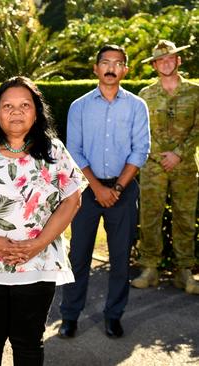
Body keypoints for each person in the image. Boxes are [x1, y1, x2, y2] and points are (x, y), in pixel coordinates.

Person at [0, 76, 86, 365]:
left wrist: (38, 244)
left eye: (25, 105)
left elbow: (73, 199)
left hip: (38, 263)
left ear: (36, 112)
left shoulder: (54, 151)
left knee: (29, 343)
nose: (16, 111)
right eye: (7, 105)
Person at [59, 45, 151, 339]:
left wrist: (118, 188)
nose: (111, 68)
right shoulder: (79, 107)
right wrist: (98, 188)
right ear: (96, 68)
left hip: (124, 189)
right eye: (105, 62)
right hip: (86, 191)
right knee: (78, 256)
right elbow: (74, 151)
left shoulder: (137, 106)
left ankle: (114, 315)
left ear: (125, 70)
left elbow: (140, 151)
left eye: (117, 63)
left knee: (121, 258)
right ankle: (70, 317)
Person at [133, 40, 199, 295]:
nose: (166, 62)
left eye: (170, 58)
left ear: (178, 61)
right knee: (149, 216)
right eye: (161, 60)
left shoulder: (195, 93)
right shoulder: (145, 96)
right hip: (153, 166)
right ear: (154, 65)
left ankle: (184, 272)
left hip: (184, 167)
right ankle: (149, 269)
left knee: (185, 217)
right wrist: (162, 155)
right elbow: (141, 132)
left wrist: (178, 154)